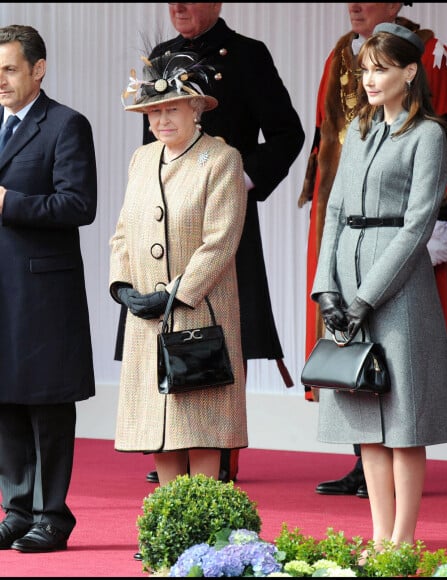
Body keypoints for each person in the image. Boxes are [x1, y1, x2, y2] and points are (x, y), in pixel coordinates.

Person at [117, 2, 305, 486]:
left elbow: (288, 132)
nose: (178, 7)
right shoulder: (161, 56)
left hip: (220, 215)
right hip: (163, 230)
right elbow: (153, 159)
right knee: (161, 352)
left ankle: (215, 458)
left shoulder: (247, 55)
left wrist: (239, 179)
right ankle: (170, 454)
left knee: (213, 341)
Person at [301, 1, 447, 500]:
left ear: (410, 71)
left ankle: (400, 542)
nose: (369, 80)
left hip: (397, 291)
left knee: (402, 426)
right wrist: (326, 291)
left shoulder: (429, 136)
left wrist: (364, 299)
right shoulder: (358, 132)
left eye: (381, 69)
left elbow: (417, 226)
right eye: (366, 70)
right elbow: (333, 211)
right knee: (364, 422)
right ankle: (378, 541)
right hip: (348, 279)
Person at [110, 51, 248, 485]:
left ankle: (201, 534)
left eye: (171, 109)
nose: (161, 120)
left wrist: (174, 292)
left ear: (195, 108)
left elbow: (220, 241)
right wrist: (122, 287)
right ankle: (168, 524)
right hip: (146, 318)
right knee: (158, 427)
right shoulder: (142, 159)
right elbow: (122, 233)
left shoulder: (222, 160)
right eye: (153, 112)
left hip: (197, 310)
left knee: (200, 425)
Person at [0, 25, 97, 552]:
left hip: (42, 295)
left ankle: (52, 516)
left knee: (47, 405)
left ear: (38, 69)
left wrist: (7, 201)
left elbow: (79, 205)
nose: (0, 80)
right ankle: (16, 510)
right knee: (4, 400)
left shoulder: (65, 125)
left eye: (10, 68)